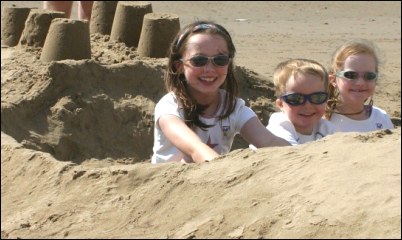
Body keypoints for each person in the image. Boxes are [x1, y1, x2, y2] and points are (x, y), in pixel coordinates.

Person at [152, 21, 290, 164]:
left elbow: (269, 141)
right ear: (179, 66)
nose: (209, 69)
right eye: (199, 60)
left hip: (214, 178)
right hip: (170, 182)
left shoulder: (234, 107)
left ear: (228, 64)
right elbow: (195, 149)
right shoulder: (169, 107)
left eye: (220, 60)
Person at [251, 58, 335, 147]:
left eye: (317, 97)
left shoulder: (325, 127)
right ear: (280, 104)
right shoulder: (279, 128)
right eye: (296, 99)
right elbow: (292, 155)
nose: (308, 105)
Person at [323, 39, 394, 132]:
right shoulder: (324, 122)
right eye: (351, 75)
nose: (360, 82)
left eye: (369, 76)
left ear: (375, 80)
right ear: (333, 80)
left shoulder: (381, 117)